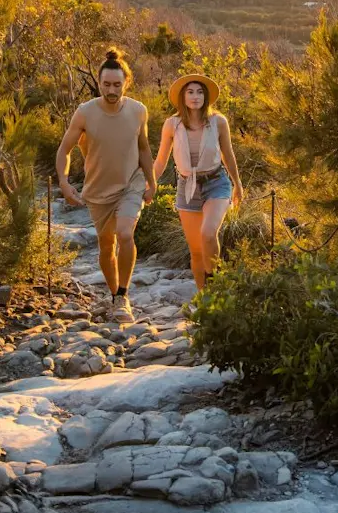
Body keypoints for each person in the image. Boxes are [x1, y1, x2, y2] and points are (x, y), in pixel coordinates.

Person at [55, 47, 156, 321]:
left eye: (117, 84)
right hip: (98, 190)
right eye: (106, 84)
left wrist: (151, 182)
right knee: (105, 246)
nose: (111, 89)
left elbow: (144, 149)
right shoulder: (85, 113)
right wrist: (64, 182)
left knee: (125, 233)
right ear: (99, 83)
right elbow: (64, 150)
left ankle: (122, 296)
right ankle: (114, 295)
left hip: (130, 184)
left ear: (126, 83)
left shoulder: (138, 111)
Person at [154, 72, 244, 290]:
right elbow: (160, 160)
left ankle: (214, 282)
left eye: (200, 92)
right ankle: (205, 298)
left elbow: (228, 154)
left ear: (206, 97)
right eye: (190, 92)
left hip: (216, 182)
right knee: (195, 250)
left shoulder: (218, 122)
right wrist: (149, 185)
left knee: (208, 232)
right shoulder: (171, 125)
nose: (195, 96)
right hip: (187, 187)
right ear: (183, 98)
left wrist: (238, 184)